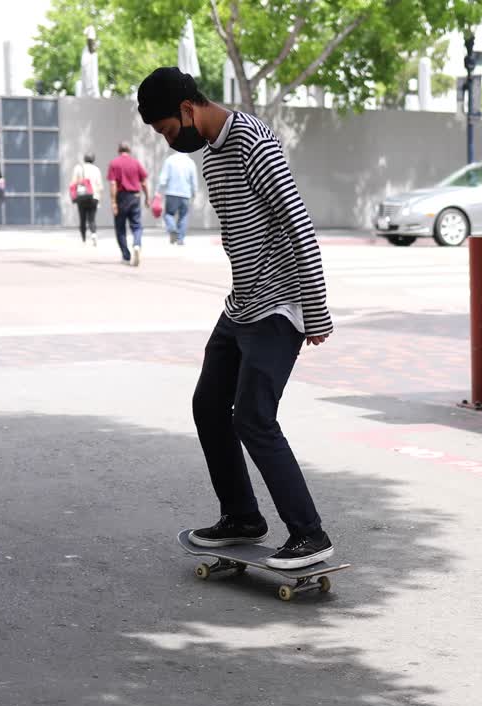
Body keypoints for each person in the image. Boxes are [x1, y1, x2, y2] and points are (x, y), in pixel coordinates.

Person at [137, 67, 335, 569]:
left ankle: (310, 534)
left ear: (187, 108)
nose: (170, 140)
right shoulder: (210, 156)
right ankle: (243, 517)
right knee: (208, 406)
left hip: (280, 304)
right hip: (241, 305)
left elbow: (299, 225)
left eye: (166, 129)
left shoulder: (254, 143)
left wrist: (316, 311)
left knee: (253, 418)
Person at [106, 142, 150, 266]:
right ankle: (137, 245)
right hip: (135, 196)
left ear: (118, 150)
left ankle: (126, 256)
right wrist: (147, 197)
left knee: (120, 228)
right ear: (129, 150)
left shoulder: (114, 163)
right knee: (136, 225)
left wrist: (113, 202)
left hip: (121, 197)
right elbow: (144, 183)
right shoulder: (135, 163)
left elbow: (113, 184)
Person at [158, 151, 198, 245]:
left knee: (168, 214)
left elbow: (163, 179)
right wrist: (194, 193)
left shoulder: (170, 160)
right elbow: (194, 180)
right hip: (185, 194)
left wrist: (158, 191)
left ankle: (172, 229)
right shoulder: (190, 162)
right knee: (183, 216)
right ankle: (180, 239)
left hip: (171, 193)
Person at [70, 152, 103, 245]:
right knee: (92, 218)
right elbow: (100, 186)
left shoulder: (78, 168)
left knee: (82, 218)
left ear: (84, 159)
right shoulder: (96, 169)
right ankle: (93, 234)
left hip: (82, 196)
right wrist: (99, 199)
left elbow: (73, 183)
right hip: (94, 197)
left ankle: (84, 239)